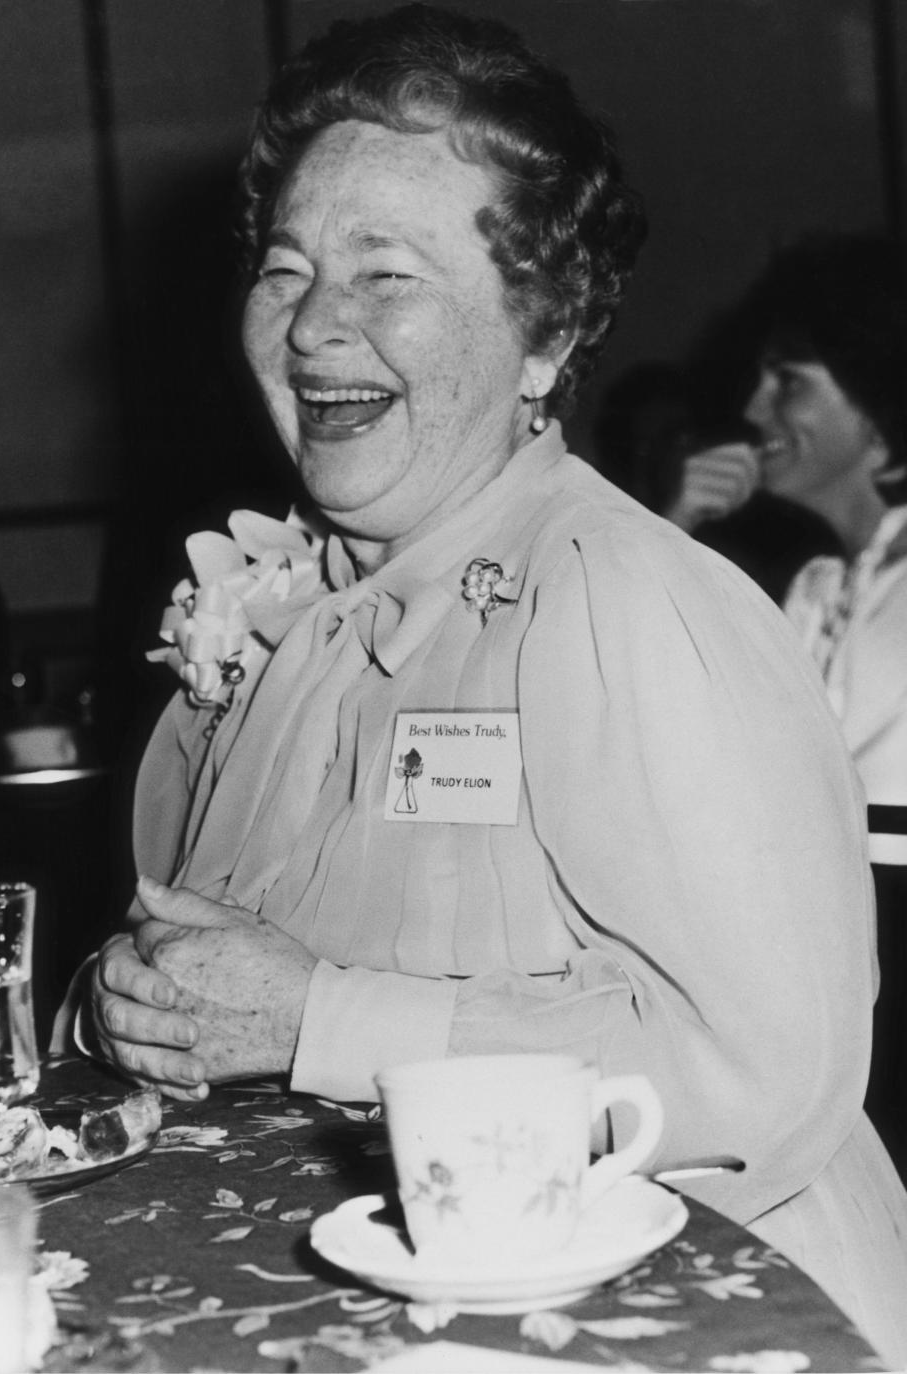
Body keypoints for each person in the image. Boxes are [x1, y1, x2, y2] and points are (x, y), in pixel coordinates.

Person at [56, 9, 907, 1364]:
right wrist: (127, 1004)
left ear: (546, 334)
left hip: (686, 1312)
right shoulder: (271, 617)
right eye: (286, 270)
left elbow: (767, 1074)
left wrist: (319, 1019)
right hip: (380, 1294)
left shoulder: (632, 606)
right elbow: (186, 963)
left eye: (386, 274)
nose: (318, 324)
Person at [663, 233, 907, 1170]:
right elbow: (687, 758)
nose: (753, 407)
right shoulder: (812, 589)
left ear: (882, 411)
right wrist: (669, 533)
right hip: (834, 1006)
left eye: (789, 381)